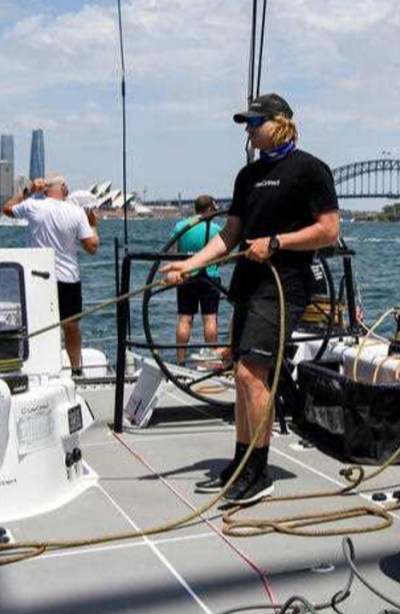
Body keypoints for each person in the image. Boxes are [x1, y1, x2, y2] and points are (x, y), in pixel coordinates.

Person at [161, 93, 340, 504]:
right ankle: (242, 461)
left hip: (284, 285)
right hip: (248, 284)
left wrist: (277, 242)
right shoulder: (247, 177)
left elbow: (329, 230)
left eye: (255, 122)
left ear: (280, 122)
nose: (249, 130)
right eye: (247, 123)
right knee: (242, 376)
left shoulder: (311, 170)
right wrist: (187, 266)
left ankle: (258, 471)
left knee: (251, 375)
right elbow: (228, 236)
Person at [3, 175, 99, 375]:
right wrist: (92, 223)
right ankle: (76, 370)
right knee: (71, 327)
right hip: (68, 278)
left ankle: (39, 370)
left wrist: (28, 190)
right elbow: (92, 246)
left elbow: (7, 208)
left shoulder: (33, 206)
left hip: (37, 277)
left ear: (45, 189)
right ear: (63, 188)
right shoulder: (76, 211)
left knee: (38, 324)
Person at [171, 195, 223, 365]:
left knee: (184, 319)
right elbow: (223, 253)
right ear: (208, 209)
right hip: (211, 277)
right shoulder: (216, 228)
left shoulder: (181, 226)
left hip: (187, 276)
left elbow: (173, 252)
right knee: (210, 318)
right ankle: (212, 360)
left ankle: (180, 361)